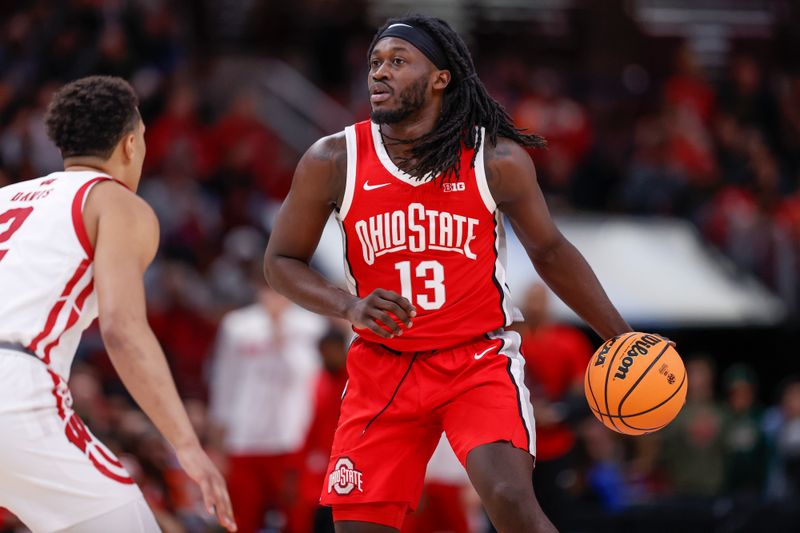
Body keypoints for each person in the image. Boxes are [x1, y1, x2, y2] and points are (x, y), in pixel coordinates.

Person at [264, 15, 632, 533]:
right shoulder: (333, 159)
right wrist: (347, 305)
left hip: (475, 359)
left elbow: (550, 251)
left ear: (441, 77)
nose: (379, 73)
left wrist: (621, 337)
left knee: (508, 498)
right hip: (383, 365)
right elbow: (280, 261)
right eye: (374, 63)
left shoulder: (496, 159)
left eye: (398, 61)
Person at [0, 76, 236, 533]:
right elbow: (122, 330)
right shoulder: (115, 203)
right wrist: (186, 446)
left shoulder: (4, 199)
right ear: (130, 145)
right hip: (14, 386)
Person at [209, 270, 326, 533]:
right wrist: (218, 435)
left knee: (295, 519)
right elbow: (224, 380)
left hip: (291, 438)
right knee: (244, 519)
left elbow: (307, 376)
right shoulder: (237, 325)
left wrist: (280, 332)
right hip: (244, 439)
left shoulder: (309, 325)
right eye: (267, 286)